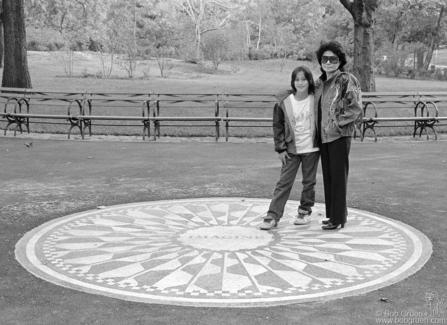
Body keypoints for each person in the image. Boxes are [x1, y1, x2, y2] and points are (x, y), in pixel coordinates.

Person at [260, 66, 320, 230]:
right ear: (293, 82)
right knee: (283, 183)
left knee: (309, 182)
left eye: (304, 79)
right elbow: (277, 126)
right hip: (291, 149)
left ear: (309, 81)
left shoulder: (316, 99)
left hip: (311, 149)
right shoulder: (284, 102)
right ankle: (273, 215)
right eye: (297, 79)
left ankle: (304, 211)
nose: (300, 83)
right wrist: (280, 148)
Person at [314, 41, 362, 230]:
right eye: (325, 59)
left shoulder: (346, 79)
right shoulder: (319, 83)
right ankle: (334, 214)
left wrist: (337, 124)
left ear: (340, 60)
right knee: (329, 177)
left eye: (333, 59)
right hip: (323, 137)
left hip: (339, 136)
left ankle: (338, 219)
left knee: (338, 177)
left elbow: (355, 107)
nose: (328, 62)